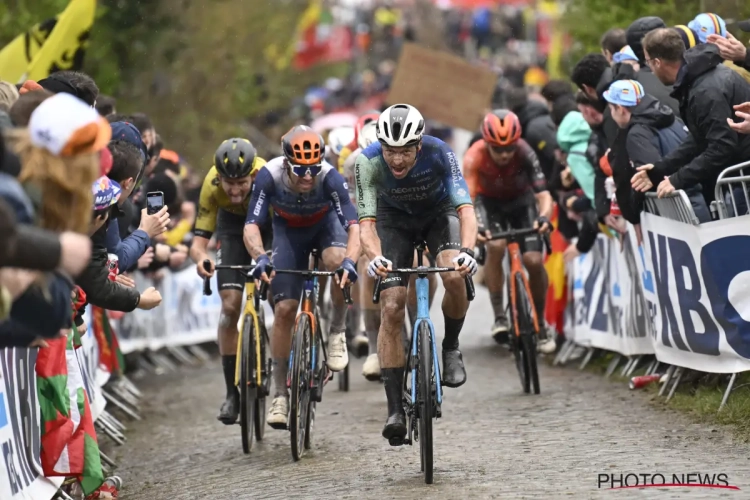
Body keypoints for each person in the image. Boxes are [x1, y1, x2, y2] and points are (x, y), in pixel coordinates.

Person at [354, 104, 477, 442]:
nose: (396, 160)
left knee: (454, 276)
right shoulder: (367, 161)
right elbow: (366, 226)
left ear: (418, 145)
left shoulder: (440, 153)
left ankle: (450, 346)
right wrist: (376, 257)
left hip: (439, 214)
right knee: (392, 304)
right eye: (390, 151)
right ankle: (394, 408)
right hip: (393, 222)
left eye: (405, 151)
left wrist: (467, 251)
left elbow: (466, 210)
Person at [244, 125, 360, 429]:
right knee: (283, 310)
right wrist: (259, 256)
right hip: (288, 233)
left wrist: (350, 260)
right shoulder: (268, 176)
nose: (307, 176)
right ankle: (280, 393)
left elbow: (354, 226)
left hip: (325, 228)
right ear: (285, 162)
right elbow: (252, 225)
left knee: (336, 262)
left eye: (312, 168)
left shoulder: (329, 177)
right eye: (299, 169)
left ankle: (336, 331)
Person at [463, 109, 556, 352]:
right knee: (495, 246)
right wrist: (477, 229)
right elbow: (467, 202)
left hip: (521, 202)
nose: (504, 155)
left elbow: (544, 195)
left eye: (509, 149)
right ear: (487, 143)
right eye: (498, 149)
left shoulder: (525, 151)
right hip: (488, 204)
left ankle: (541, 323)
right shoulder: (474, 156)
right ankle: (499, 318)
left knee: (534, 261)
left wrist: (544, 217)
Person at [189, 138, 267, 425]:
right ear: (218, 177)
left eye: (241, 183)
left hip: (266, 225)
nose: (234, 190)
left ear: (253, 177)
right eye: (228, 183)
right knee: (230, 308)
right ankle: (231, 393)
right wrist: (201, 259)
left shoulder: (266, 178)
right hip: (232, 228)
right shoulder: (211, 185)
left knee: (282, 293)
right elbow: (198, 243)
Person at [633, 28, 750, 204]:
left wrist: (677, 179)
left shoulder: (704, 90)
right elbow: (700, 137)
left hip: (743, 180)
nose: (650, 69)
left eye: (648, 62)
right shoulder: (697, 78)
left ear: (657, 62)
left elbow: (722, 146)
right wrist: (660, 169)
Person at [604, 79, 711, 224]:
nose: (611, 114)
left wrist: (634, 211)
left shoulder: (637, 134)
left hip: (678, 213)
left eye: (611, 108)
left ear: (620, 109)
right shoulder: (670, 117)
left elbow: (646, 181)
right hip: (698, 200)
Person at [342, 121, 385, 380]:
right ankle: (371, 345)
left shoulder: (404, 158)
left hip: (395, 216)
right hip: (366, 217)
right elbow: (352, 209)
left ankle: (417, 326)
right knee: (366, 269)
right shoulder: (352, 163)